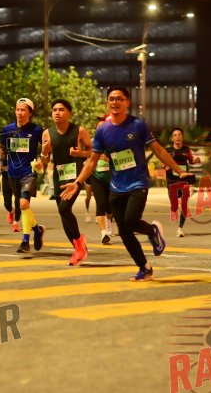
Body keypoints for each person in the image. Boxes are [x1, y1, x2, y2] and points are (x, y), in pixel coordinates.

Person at [60, 87, 192, 281]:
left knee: (130, 221)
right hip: (116, 186)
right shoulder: (103, 130)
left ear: (127, 102)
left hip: (138, 182)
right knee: (123, 231)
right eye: (111, 99)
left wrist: (179, 171)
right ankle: (144, 268)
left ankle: (152, 231)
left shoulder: (138, 125)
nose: (114, 102)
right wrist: (78, 182)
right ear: (107, 102)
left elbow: (159, 150)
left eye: (119, 99)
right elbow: (93, 161)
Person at [40, 99, 93, 266]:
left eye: (61, 109)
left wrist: (80, 154)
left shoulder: (79, 131)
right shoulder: (47, 133)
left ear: (69, 113)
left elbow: (92, 152)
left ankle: (79, 242)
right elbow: (44, 161)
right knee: (63, 213)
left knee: (64, 208)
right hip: (59, 177)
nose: (57, 112)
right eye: (54, 109)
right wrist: (44, 152)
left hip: (75, 177)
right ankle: (78, 248)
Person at [0, 98, 45, 253]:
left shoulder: (37, 130)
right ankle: (37, 230)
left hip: (28, 173)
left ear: (30, 113)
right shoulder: (7, 130)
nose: (19, 112)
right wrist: (1, 153)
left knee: (24, 204)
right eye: (17, 109)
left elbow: (46, 148)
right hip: (13, 174)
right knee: (23, 207)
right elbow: (1, 147)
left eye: (23, 110)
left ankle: (25, 241)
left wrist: (41, 160)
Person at [163, 127, 201, 237]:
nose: (177, 137)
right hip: (172, 180)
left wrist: (196, 160)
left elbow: (191, 161)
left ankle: (180, 228)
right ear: (172, 138)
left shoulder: (186, 149)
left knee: (184, 203)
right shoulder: (168, 150)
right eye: (175, 135)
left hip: (184, 180)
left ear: (182, 137)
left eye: (179, 134)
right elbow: (162, 163)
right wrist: (165, 166)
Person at [89, 115, 115, 244]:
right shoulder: (91, 143)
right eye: (98, 128)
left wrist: (107, 159)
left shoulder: (112, 142)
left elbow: (119, 159)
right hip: (96, 177)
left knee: (109, 205)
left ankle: (109, 222)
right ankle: (103, 233)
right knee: (100, 203)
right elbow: (86, 156)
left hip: (110, 178)